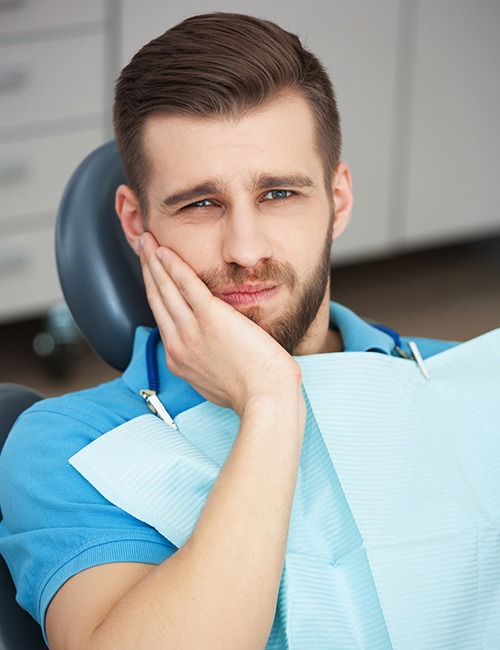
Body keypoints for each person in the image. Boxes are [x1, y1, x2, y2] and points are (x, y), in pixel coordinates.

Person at [1, 12, 499, 650]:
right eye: (200, 203)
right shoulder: (66, 448)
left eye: (279, 194)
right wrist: (269, 401)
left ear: (338, 200)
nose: (244, 248)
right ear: (134, 221)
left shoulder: (465, 384)